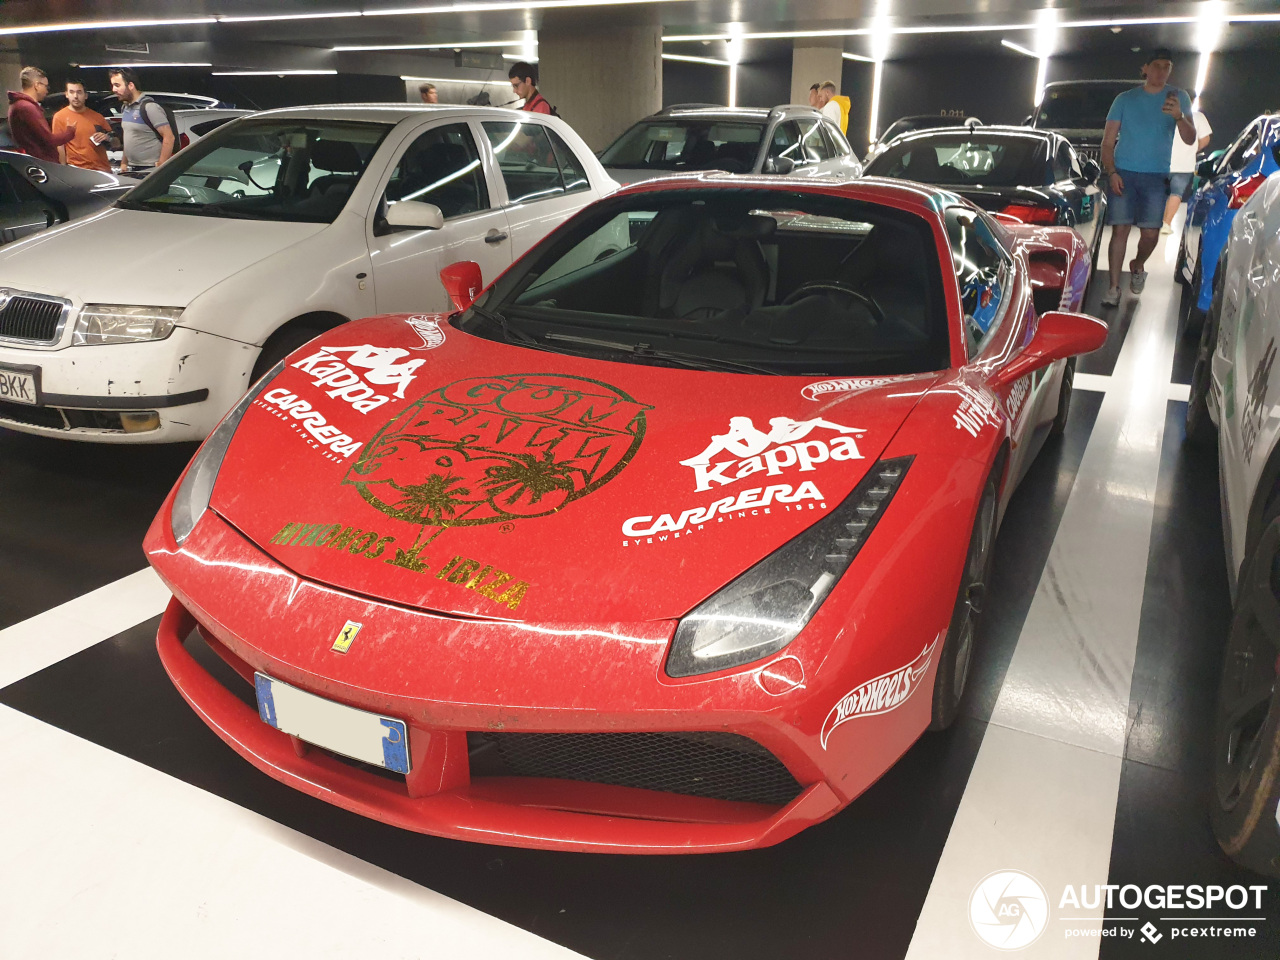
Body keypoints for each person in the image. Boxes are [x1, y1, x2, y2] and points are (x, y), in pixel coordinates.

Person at [1098, 48, 1195, 307]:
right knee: (1120, 230)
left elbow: (1190, 138)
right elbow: (1107, 143)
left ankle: (1138, 264)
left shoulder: (1179, 98)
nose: (1162, 72)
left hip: (1156, 176)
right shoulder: (1125, 99)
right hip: (1124, 173)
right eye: (1157, 66)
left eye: (1167, 67)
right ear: (1145, 69)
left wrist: (1179, 116)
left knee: (1151, 233)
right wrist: (1112, 172)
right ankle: (1114, 287)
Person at [109, 68, 174, 175]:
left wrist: (161, 166)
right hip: (132, 168)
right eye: (113, 85)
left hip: (149, 169)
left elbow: (169, 137)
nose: (114, 90)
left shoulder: (150, 107)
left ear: (130, 85)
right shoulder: (125, 108)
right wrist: (124, 163)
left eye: (117, 85)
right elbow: (128, 137)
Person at [6, 66, 74, 163]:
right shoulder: (27, 108)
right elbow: (49, 140)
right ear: (37, 85)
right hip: (40, 164)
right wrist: (70, 132)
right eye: (46, 86)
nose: (47, 90)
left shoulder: (18, 105)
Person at [1163, 107, 1212, 234]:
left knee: (1158, 193)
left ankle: (1154, 222)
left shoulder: (1164, 115)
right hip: (1184, 164)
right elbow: (1205, 139)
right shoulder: (1198, 117)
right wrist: (1193, 150)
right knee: (1176, 193)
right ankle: (1166, 224)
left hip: (1162, 162)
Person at [52, 78, 111, 172]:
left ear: (85, 95)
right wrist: (62, 170)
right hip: (78, 171)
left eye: (79, 92)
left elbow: (115, 142)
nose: (75, 96)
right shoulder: (59, 117)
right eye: (71, 92)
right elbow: (59, 146)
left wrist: (107, 137)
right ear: (66, 94)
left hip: (102, 170)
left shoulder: (97, 117)